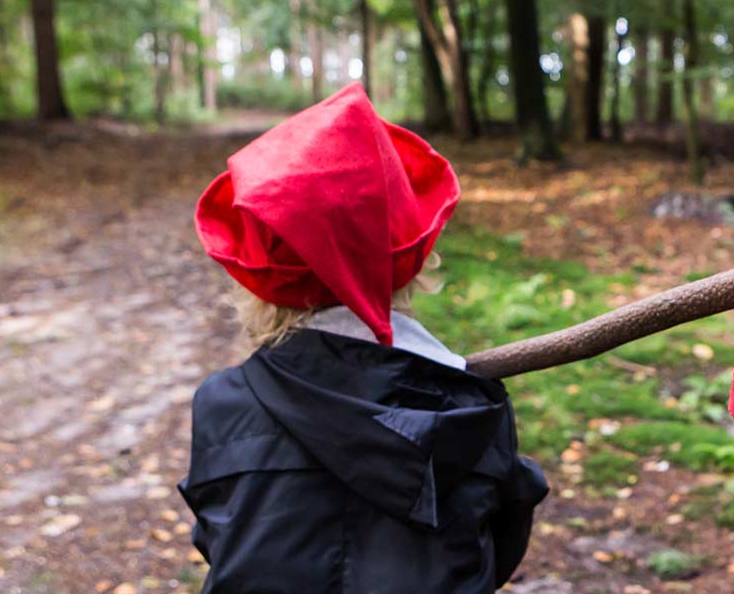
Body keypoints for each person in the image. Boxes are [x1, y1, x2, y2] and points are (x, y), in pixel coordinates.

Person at [180, 83, 549, 593]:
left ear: (260, 279)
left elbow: (221, 537)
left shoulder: (223, 406)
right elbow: (497, 547)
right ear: (411, 260)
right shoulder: (471, 410)